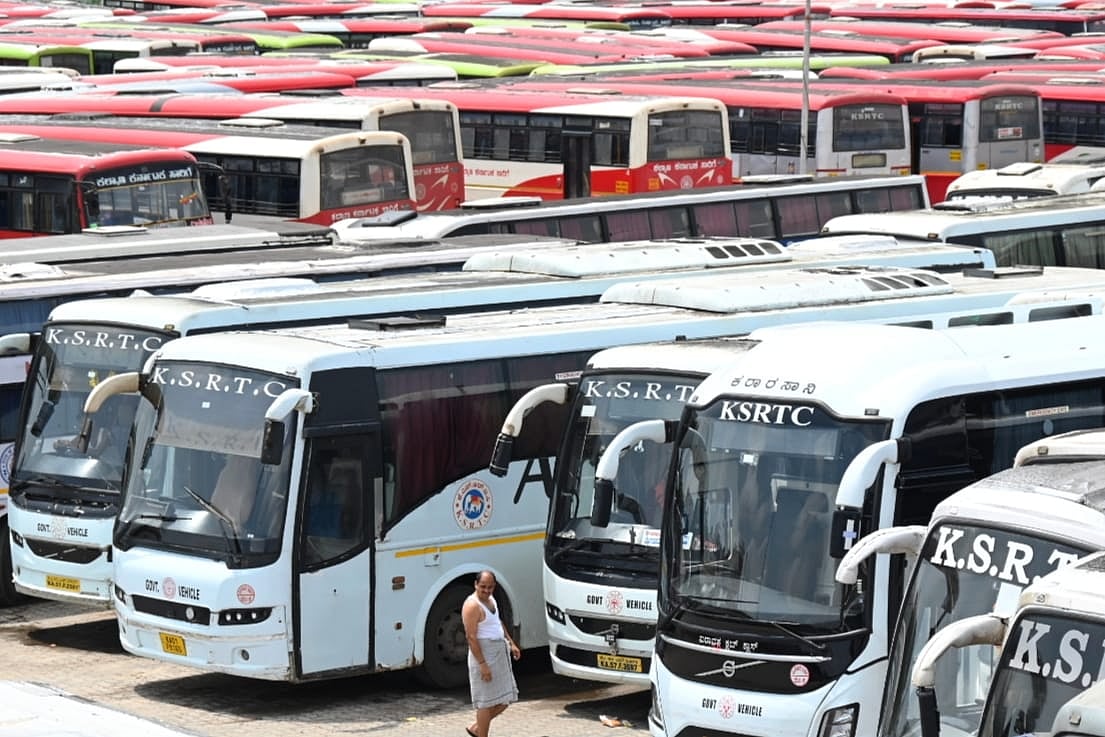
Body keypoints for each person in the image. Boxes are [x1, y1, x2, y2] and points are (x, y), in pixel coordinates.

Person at [462, 570, 520, 737]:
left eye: (490, 587)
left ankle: (476, 728)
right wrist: (483, 665)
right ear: (475, 585)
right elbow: (471, 637)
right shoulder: (472, 605)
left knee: (506, 698)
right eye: (483, 587)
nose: (486, 590)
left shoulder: (491, 599)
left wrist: (511, 642)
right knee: (485, 702)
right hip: (484, 654)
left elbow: (497, 622)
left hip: (499, 653)